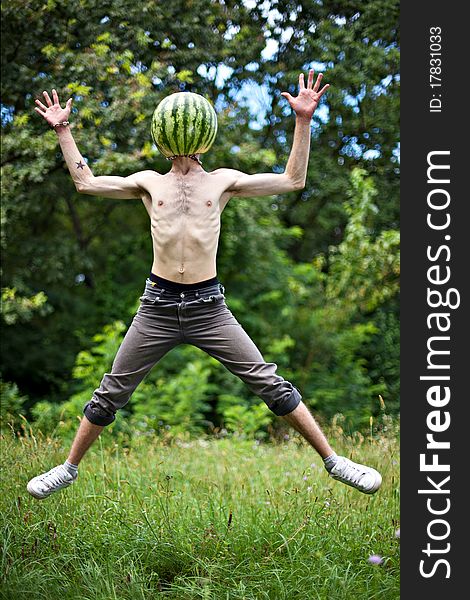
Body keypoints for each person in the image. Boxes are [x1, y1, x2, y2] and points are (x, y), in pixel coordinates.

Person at [27, 70, 381, 500]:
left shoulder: (222, 181)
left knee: (270, 383)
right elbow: (85, 182)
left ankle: (334, 461)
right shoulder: (148, 183)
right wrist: (63, 129)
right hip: (156, 306)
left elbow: (293, 180)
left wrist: (303, 120)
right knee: (111, 391)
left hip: (208, 307)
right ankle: (67, 469)